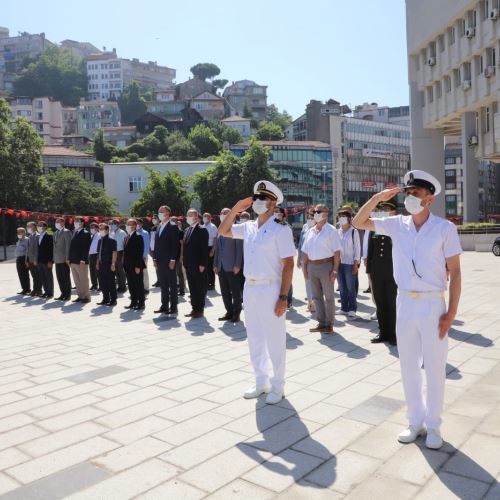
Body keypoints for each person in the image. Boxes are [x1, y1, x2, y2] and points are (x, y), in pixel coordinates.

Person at [353, 169, 462, 450]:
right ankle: (415, 421)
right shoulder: (396, 224)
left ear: (430, 198)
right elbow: (358, 221)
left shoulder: (444, 229)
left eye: (416, 193)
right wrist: (378, 197)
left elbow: (456, 273)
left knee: (435, 367)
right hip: (405, 302)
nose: (411, 197)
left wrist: (451, 313)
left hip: (432, 303)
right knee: (408, 366)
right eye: (408, 193)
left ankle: (435, 424)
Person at [218, 180, 296, 404]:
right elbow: (224, 231)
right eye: (256, 198)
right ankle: (261, 381)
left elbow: (289, 264)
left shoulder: (280, 229)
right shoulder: (249, 226)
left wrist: (283, 297)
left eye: (263, 199)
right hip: (250, 287)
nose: (258, 202)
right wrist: (236, 208)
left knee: (274, 339)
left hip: (271, 287)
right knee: (254, 337)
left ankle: (278, 385)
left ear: (273, 203)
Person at [301, 204, 341, 334]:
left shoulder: (331, 230)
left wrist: (335, 270)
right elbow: (305, 252)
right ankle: (321, 322)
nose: (315, 213)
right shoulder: (310, 231)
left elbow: (337, 253)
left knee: (329, 297)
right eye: (314, 211)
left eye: (318, 211)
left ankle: (329, 324)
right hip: (312, 266)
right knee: (316, 297)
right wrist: (305, 269)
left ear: (326, 214)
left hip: (326, 266)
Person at [366, 200, 398, 345]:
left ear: (393, 212)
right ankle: (383, 332)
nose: (383, 212)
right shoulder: (376, 228)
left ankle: (393, 334)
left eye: (386, 209)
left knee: (392, 304)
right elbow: (370, 250)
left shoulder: (399, 228)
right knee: (380, 303)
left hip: (393, 272)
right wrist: (369, 272)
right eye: (382, 209)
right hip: (377, 271)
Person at [213, 207, 243, 322]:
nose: (223, 215)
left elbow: (239, 249)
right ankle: (229, 312)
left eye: (226, 213)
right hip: (221, 266)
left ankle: (237, 313)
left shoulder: (236, 228)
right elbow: (218, 249)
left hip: (232, 266)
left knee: (235, 291)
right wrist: (215, 264)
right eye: (222, 213)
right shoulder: (220, 230)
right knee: (224, 291)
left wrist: (237, 264)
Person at [153, 206, 180, 315]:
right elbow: (156, 244)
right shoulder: (159, 226)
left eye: (161, 212)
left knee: (172, 284)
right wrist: (154, 258)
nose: (159, 213)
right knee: (163, 284)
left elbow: (175, 245)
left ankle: (173, 307)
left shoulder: (173, 226)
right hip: (159, 260)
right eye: (158, 211)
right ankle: (164, 305)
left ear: (168, 213)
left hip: (169, 260)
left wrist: (173, 259)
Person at [183, 209, 209, 318]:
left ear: (196, 217)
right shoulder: (187, 230)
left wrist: (203, 264)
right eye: (187, 215)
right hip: (189, 264)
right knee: (192, 288)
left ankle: (200, 309)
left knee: (199, 287)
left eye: (190, 215)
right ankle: (194, 308)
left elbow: (204, 249)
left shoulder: (202, 230)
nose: (188, 217)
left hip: (198, 265)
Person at [337, 208, 361, 318]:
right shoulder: (338, 231)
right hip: (339, 263)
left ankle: (352, 308)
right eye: (340, 216)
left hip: (350, 263)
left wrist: (356, 263)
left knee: (351, 287)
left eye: (344, 217)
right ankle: (344, 308)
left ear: (349, 219)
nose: (341, 219)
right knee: (342, 287)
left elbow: (357, 248)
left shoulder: (353, 231)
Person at [123, 218, 146, 310]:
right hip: (127, 265)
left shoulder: (138, 236)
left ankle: (141, 302)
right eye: (128, 224)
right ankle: (133, 301)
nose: (128, 226)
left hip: (136, 265)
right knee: (131, 284)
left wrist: (138, 266)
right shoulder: (126, 237)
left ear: (135, 226)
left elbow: (139, 252)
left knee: (138, 284)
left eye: (130, 224)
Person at [69, 216, 92, 304]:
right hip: (73, 261)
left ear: (82, 223)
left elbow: (86, 248)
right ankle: (80, 296)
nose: (75, 222)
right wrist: (69, 259)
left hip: (81, 261)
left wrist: (83, 260)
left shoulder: (86, 233)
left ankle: (86, 296)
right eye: (74, 221)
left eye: (77, 221)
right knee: (77, 280)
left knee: (83, 280)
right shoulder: (75, 232)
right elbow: (72, 247)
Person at [274, 207, 294, 308]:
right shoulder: (270, 226)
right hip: (275, 260)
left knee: (287, 280)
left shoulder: (285, 226)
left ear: (283, 215)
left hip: (285, 258)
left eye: (279, 213)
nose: (277, 214)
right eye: (275, 212)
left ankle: (288, 300)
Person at [297, 207, 316, 312]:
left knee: (315, 282)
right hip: (304, 259)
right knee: (307, 281)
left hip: (315, 259)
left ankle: (315, 302)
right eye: (308, 216)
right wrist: (299, 258)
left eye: (312, 216)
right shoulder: (304, 226)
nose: (310, 218)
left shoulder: (318, 227)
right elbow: (300, 243)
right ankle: (310, 303)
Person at [96, 223, 117, 306]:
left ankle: (113, 300)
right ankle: (105, 298)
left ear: (107, 230)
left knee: (111, 282)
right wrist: (97, 263)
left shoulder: (112, 241)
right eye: (99, 229)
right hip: (101, 264)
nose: (100, 230)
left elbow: (114, 253)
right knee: (102, 282)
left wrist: (113, 264)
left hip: (109, 264)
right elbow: (98, 253)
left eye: (102, 229)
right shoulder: (99, 241)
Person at [52, 217, 72, 301]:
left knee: (65, 277)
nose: (56, 223)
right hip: (57, 259)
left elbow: (68, 246)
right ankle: (62, 293)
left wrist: (68, 258)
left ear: (63, 223)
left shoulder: (66, 232)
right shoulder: (55, 233)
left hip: (64, 259)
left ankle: (67, 295)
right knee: (59, 277)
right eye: (56, 222)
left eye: (58, 222)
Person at [36, 221, 54, 298]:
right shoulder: (39, 235)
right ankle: (46, 291)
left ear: (45, 227)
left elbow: (51, 248)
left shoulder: (49, 234)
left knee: (48, 277)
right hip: (40, 260)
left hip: (47, 260)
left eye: (41, 225)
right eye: (38, 225)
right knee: (43, 277)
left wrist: (51, 260)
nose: (39, 227)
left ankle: (50, 293)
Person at [110, 219, 127, 293]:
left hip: (120, 253)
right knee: (116, 271)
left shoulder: (122, 233)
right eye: (112, 223)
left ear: (118, 224)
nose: (113, 225)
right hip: (113, 253)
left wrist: (124, 255)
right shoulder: (111, 233)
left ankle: (123, 287)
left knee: (121, 271)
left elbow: (125, 244)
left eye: (115, 223)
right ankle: (119, 286)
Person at [202, 212, 218, 291]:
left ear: (210, 217)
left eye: (206, 216)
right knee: (205, 266)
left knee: (210, 267)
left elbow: (215, 239)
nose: (204, 217)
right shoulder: (203, 226)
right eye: (204, 216)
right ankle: (206, 283)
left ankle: (212, 284)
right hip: (204, 248)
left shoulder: (213, 226)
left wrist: (212, 250)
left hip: (210, 248)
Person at [26, 222, 42, 297]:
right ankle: (36, 290)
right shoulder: (29, 236)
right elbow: (27, 250)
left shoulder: (37, 236)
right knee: (34, 275)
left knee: (37, 276)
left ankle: (38, 290)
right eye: (27, 226)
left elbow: (37, 249)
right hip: (30, 259)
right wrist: (26, 260)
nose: (28, 228)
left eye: (30, 226)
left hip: (35, 260)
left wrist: (36, 259)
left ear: (35, 227)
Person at [171, 217, 186, 296]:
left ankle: (182, 290)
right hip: (170, 256)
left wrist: (181, 255)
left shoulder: (180, 232)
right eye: (171, 220)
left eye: (174, 221)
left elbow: (182, 244)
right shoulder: (169, 231)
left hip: (177, 255)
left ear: (177, 222)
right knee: (171, 273)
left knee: (179, 273)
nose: (172, 222)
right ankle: (173, 289)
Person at [136, 218, 150, 295]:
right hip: (135, 256)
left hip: (142, 256)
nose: (137, 224)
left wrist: (144, 255)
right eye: (136, 223)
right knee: (136, 272)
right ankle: (139, 287)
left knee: (144, 271)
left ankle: (146, 288)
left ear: (141, 224)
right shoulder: (134, 232)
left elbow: (146, 245)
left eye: (138, 223)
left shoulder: (145, 233)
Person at [15, 227, 30, 294]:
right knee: (20, 274)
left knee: (24, 274)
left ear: (24, 232)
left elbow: (27, 250)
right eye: (17, 232)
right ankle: (24, 288)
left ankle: (27, 289)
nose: (18, 233)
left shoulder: (26, 240)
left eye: (19, 232)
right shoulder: (19, 240)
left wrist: (26, 260)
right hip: (18, 258)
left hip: (23, 258)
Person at [88, 222, 101, 292]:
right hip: (90, 255)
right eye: (91, 227)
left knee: (98, 271)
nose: (91, 229)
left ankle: (101, 285)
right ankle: (94, 285)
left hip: (96, 255)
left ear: (97, 228)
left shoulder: (99, 235)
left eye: (93, 227)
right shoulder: (91, 236)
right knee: (92, 271)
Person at [149, 214, 160, 287]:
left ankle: (162, 280)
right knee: (156, 266)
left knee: (161, 266)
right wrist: (150, 249)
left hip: (159, 250)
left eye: (155, 218)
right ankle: (158, 280)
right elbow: (151, 240)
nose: (153, 219)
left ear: (159, 219)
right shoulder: (152, 228)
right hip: (153, 250)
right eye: (153, 218)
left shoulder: (160, 227)